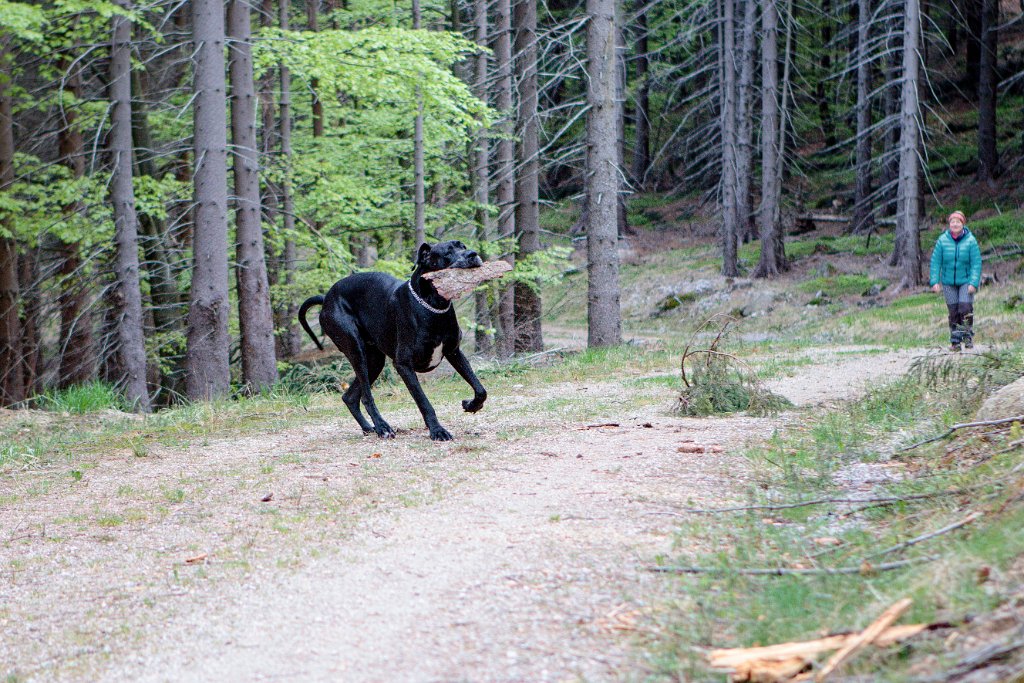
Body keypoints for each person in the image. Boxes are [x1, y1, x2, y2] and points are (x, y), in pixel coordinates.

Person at [929, 210, 982, 352]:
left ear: (963, 224)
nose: (955, 224)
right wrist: (934, 281)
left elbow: (976, 263)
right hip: (948, 282)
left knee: (964, 308)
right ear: (949, 224)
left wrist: (973, 283)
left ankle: (967, 336)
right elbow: (935, 262)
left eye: (958, 222)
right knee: (953, 312)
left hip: (965, 281)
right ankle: (955, 341)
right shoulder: (942, 240)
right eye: (952, 222)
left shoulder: (971, 241)